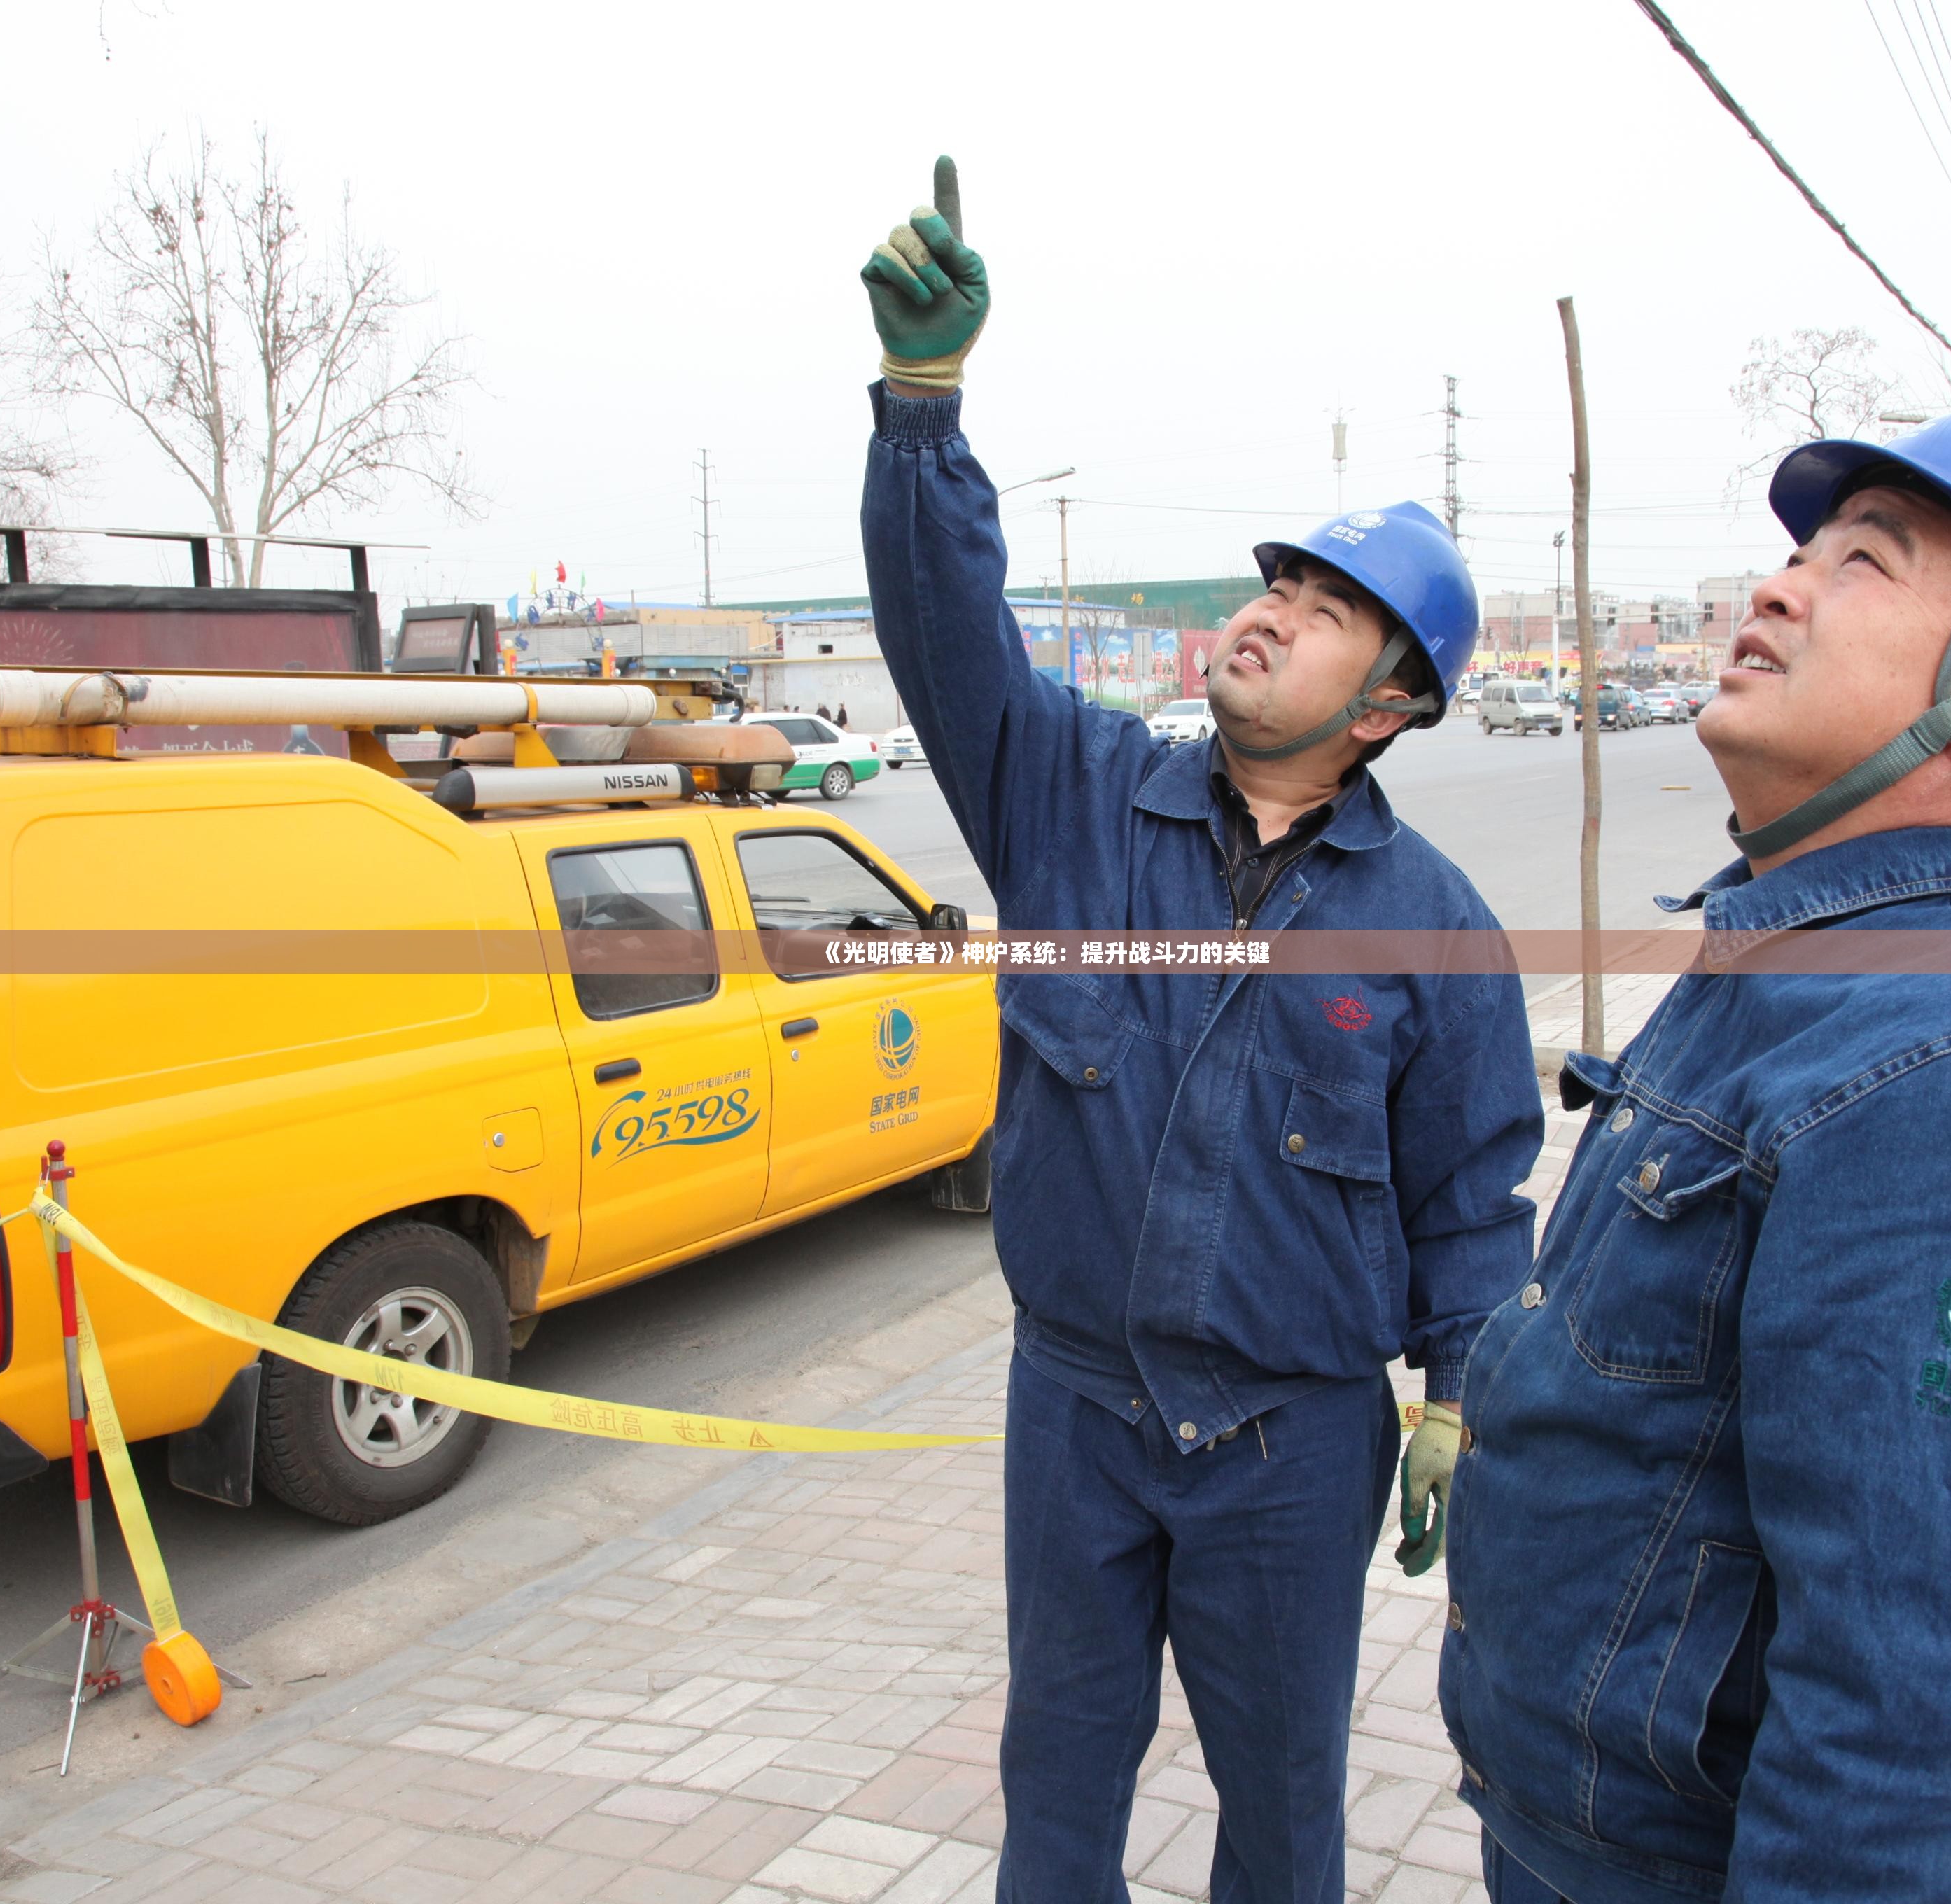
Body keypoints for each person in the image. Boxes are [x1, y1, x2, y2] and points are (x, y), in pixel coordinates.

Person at [857, 158, 1541, 1904]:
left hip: (1295, 1446)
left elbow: (1469, 1192)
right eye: (1272, 587)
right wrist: (925, 411)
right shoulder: (1074, 794)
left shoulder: (1437, 925)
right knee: (1060, 1768)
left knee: (1284, 1801)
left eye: (1322, 611)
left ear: (1388, 704)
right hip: (1075, 1405)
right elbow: (950, 642)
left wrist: (1459, 1402)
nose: (1268, 612)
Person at [1437, 400, 1951, 1901]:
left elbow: (1909, 1723)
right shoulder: (1791, 968)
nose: (1777, 586)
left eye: (1866, 560)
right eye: (1799, 550)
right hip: (1566, 1837)